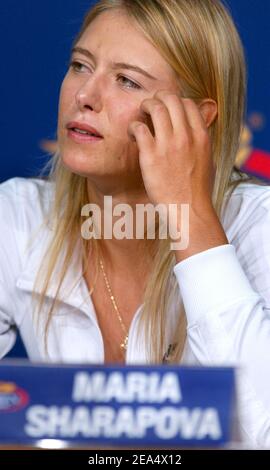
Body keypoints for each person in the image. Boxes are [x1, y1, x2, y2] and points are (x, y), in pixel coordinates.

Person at [0, 0, 270, 447]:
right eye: (80, 65)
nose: (85, 95)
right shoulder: (18, 217)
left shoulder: (258, 228)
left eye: (126, 80)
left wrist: (191, 214)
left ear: (198, 119)